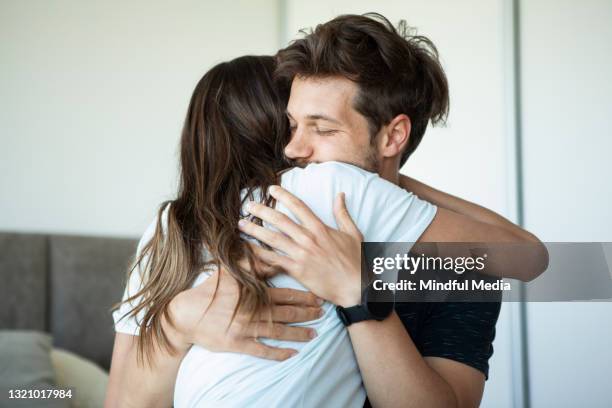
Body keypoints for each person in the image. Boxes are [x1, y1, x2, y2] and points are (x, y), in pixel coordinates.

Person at [105, 14, 547, 408]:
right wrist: (177, 322)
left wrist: (359, 293)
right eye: (291, 125)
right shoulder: (300, 195)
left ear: (393, 137)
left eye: (321, 128)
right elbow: (540, 258)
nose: (291, 150)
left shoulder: (451, 261)